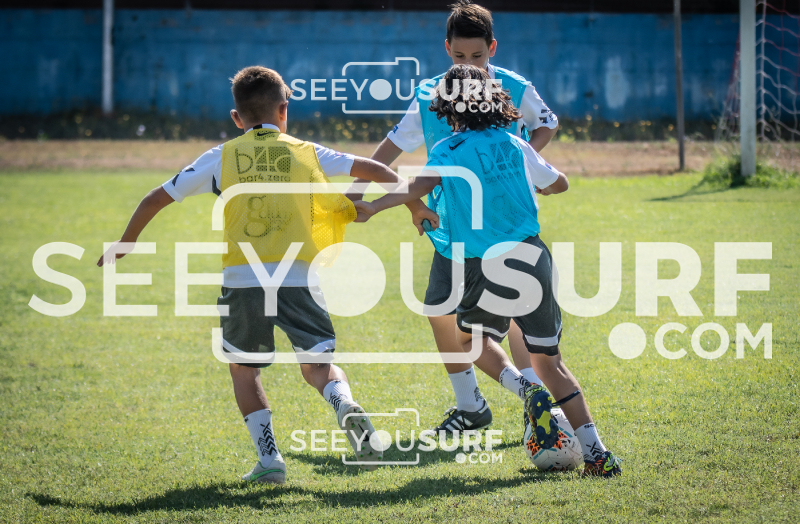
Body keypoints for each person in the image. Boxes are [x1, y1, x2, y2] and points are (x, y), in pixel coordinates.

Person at [97, 66, 438, 484]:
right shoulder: (307, 151)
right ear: (284, 110)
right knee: (318, 366)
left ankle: (270, 459)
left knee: (245, 370)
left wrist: (126, 241)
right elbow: (377, 169)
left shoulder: (221, 156)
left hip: (243, 280)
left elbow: (156, 197)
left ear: (236, 118)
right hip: (300, 278)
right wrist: (415, 207)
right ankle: (344, 404)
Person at [355, 64, 622, 477]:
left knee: (469, 340)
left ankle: (525, 388)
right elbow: (560, 183)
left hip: (486, 264)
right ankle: (599, 455)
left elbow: (416, 187)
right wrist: (540, 184)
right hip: (533, 258)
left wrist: (373, 206)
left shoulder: (448, 150)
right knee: (551, 362)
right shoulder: (516, 144)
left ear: (447, 109)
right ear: (497, 101)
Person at [348, 0, 560, 438]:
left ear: (492, 48)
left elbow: (547, 123)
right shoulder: (432, 94)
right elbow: (392, 146)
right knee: (440, 312)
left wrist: (527, 163)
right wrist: (356, 190)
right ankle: (473, 406)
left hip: (506, 222)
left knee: (516, 317)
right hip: (452, 225)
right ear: (446, 48)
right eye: (460, 55)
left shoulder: (514, 87)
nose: (470, 64)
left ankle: (536, 409)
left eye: (477, 55)